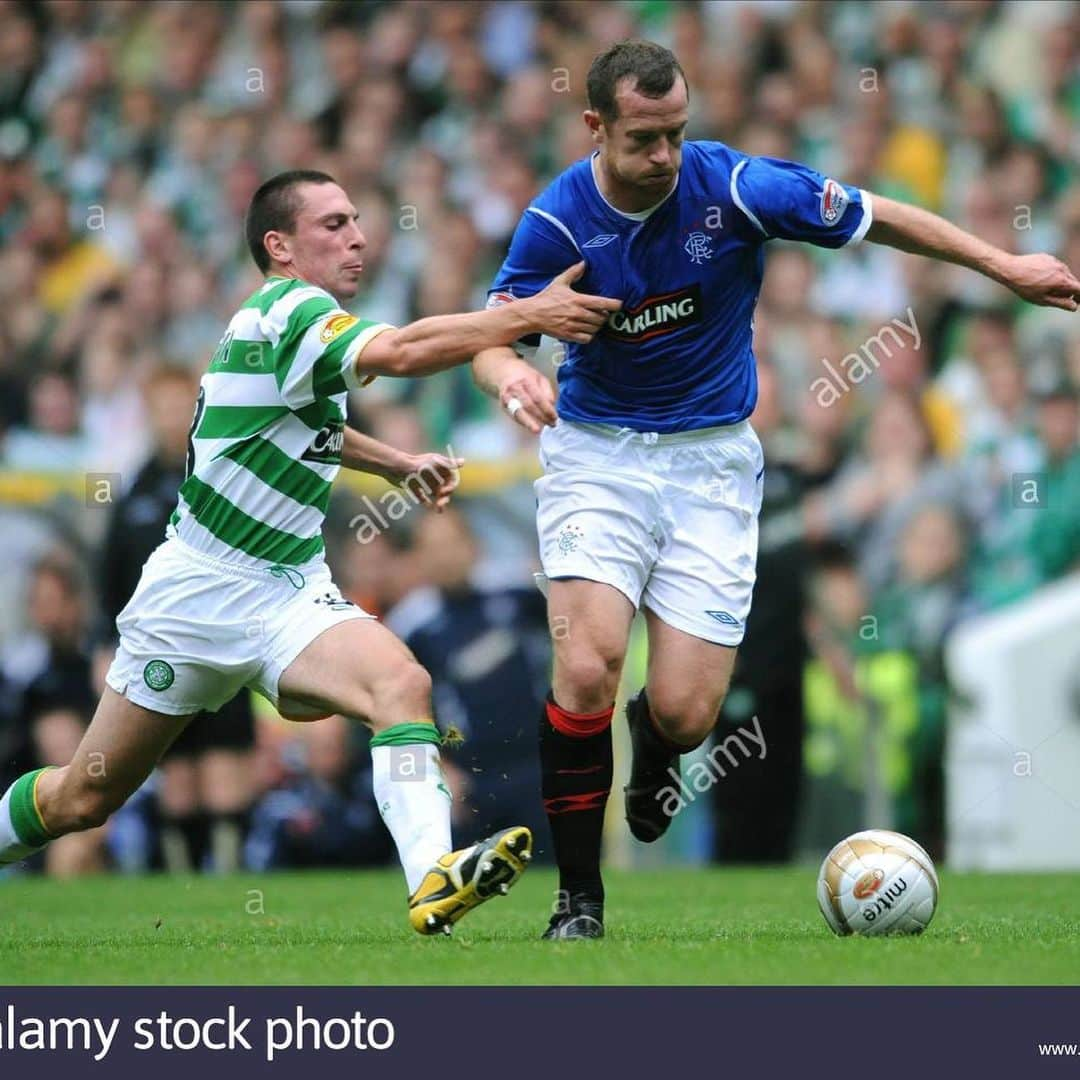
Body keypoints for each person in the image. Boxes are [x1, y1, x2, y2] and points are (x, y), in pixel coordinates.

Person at [471, 40, 1080, 939]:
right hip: (596, 455)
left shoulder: (739, 188)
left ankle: (657, 744)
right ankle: (579, 902)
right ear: (595, 126)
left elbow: (883, 216)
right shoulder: (557, 223)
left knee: (686, 712)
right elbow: (491, 333)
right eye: (645, 138)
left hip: (713, 465)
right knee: (588, 662)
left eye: (678, 132)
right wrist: (508, 375)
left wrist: (1004, 267)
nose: (667, 156)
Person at [0, 169, 621, 935]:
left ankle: (432, 880)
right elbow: (402, 349)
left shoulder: (283, 325)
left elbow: (304, 423)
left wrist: (396, 463)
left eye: (357, 220)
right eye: (333, 225)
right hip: (196, 594)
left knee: (400, 683)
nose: (357, 236)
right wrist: (525, 315)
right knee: (83, 799)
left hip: (288, 589)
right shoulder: (291, 311)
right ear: (280, 246)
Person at [95, 365, 257, 873]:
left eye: (179, 406)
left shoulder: (220, 474)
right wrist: (105, 643)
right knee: (177, 770)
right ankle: (183, 878)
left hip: (223, 636)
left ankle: (230, 876)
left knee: (225, 765)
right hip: (160, 646)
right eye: (160, 407)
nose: (170, 418)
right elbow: (111, 578)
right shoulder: (132, 493)